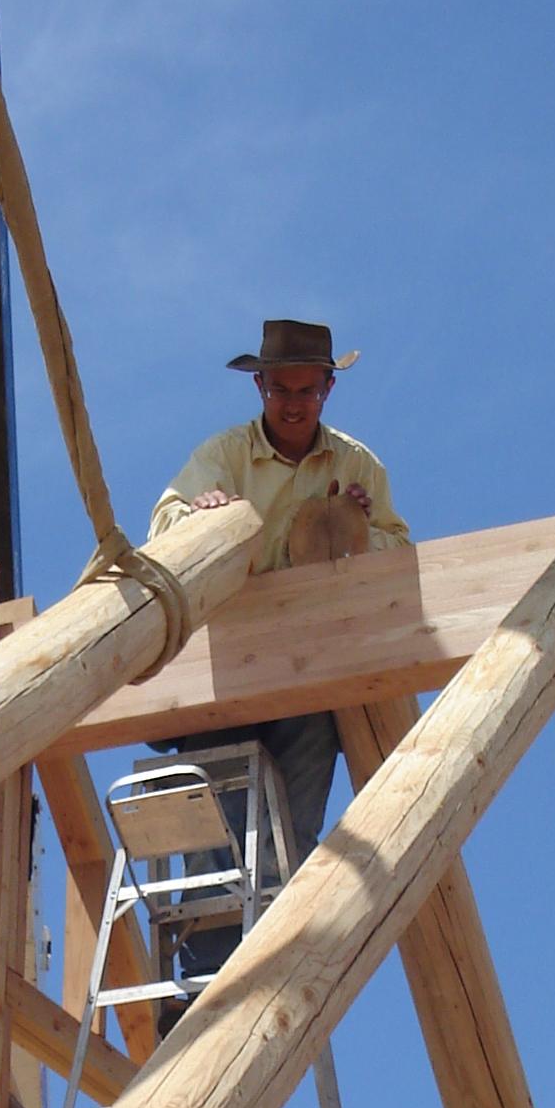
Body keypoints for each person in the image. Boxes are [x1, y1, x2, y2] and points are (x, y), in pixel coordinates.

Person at [148, 319, 410, 1001]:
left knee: (290, 830)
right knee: (216, 831)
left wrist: (357, 534)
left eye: (306, 390)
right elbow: (164, 526)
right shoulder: (225, 455)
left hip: (312, 676)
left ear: (327, 389)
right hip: (229, 668)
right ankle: (204, 984)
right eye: (281, 390)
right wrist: (204, 518)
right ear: (260, 387)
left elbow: (400, 557)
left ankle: (273, 971)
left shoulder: (357, 465)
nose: (293, 404)